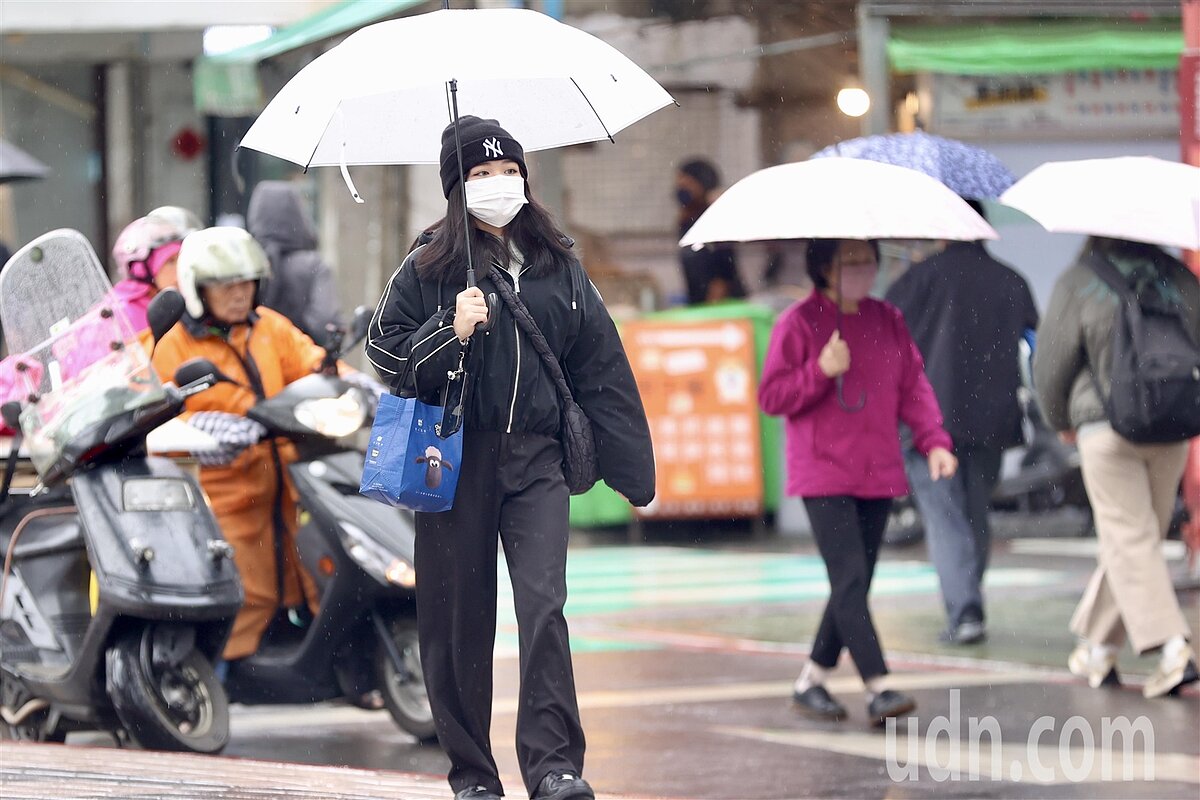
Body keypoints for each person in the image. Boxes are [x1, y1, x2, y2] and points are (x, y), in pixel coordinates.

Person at [366, 116, 654, 800]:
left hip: (537, 461)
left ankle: (554, 766)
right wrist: (450, 329)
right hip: (453, 456)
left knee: (544, 607)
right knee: (458, 617)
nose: (499, 185)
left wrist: (632, 464)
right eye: (480, 174)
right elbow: (384, 353)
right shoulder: (429, 265)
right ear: (455, 187)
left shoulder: (558, 264)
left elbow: (600, 362)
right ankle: (472, 775)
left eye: (508, 171)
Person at [150, 226, 379, 664]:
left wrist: (360, 386)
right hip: (225, 495)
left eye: (246, 283)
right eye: (226, 285)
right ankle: (222, 675)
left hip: (289, 483)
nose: (239, 294)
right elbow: (157, 409)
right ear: (197, 289)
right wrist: (208, 429)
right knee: (244, 593)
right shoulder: (171, 344)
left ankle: (330, 667)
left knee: (312, 573)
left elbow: (315, 364)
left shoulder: (270, 328)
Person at [758, 238, 957, 725]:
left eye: (869, 261)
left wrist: (934, 441)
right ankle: (878, 685)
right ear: (824, 267)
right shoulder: (797, 323)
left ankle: (812, 679)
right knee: (849, 579)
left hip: (878, 468)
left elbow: (913, 385)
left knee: (855, 583)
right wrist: (820, 371)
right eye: (852, 263)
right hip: (822, 471)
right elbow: (772, 396)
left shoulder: (887, 319)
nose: (865, 271)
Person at [1033, 236, 1199, 698]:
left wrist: (1060, 421)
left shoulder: (1079, 280)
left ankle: (1173, 650)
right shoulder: (1179, 278)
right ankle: (1098, 649)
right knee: (1135, 539)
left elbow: (1050, 367)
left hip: (1105, 429)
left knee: (1130, 539)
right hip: (1171, 429)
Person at [886, 211, 1039, 645]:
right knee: (974, 514)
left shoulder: (918, 280)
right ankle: (969, 600)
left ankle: (965, 611)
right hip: (991, 418)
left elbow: (886, 337)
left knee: (944, 517)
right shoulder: (1012, 281)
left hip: (928, 421)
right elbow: (1032, 342)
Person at [248, 180, 343, 346]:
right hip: (307, 364)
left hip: (257, 362)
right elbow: (325, 324)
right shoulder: (314, 266)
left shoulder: (249, 264)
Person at [110, 205, 202, 333]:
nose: (181, 267)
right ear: (140, 269)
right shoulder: (118, 314)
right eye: (170, 261)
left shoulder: (192, 304)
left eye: (184, 257)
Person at [675, 158, 747, 305]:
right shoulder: (686, 222)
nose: (680, 190)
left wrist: (710, 311)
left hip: (723, 306)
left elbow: (723, 275)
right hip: (699, 304)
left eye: (686, 185)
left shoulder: (715, 219)